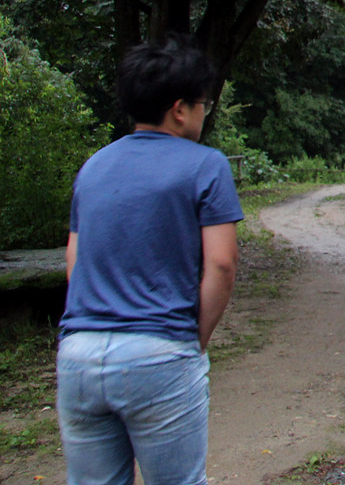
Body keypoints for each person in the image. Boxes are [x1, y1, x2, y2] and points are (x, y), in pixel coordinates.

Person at [56, 40, 242, 485]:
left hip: (79, 354)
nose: (204, 113)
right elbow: (221, 264)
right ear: (179, 109)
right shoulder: (206, 165)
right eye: (203, 104)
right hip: (159, 352)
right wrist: (193, 340)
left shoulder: (94, 167)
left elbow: (74, 260)